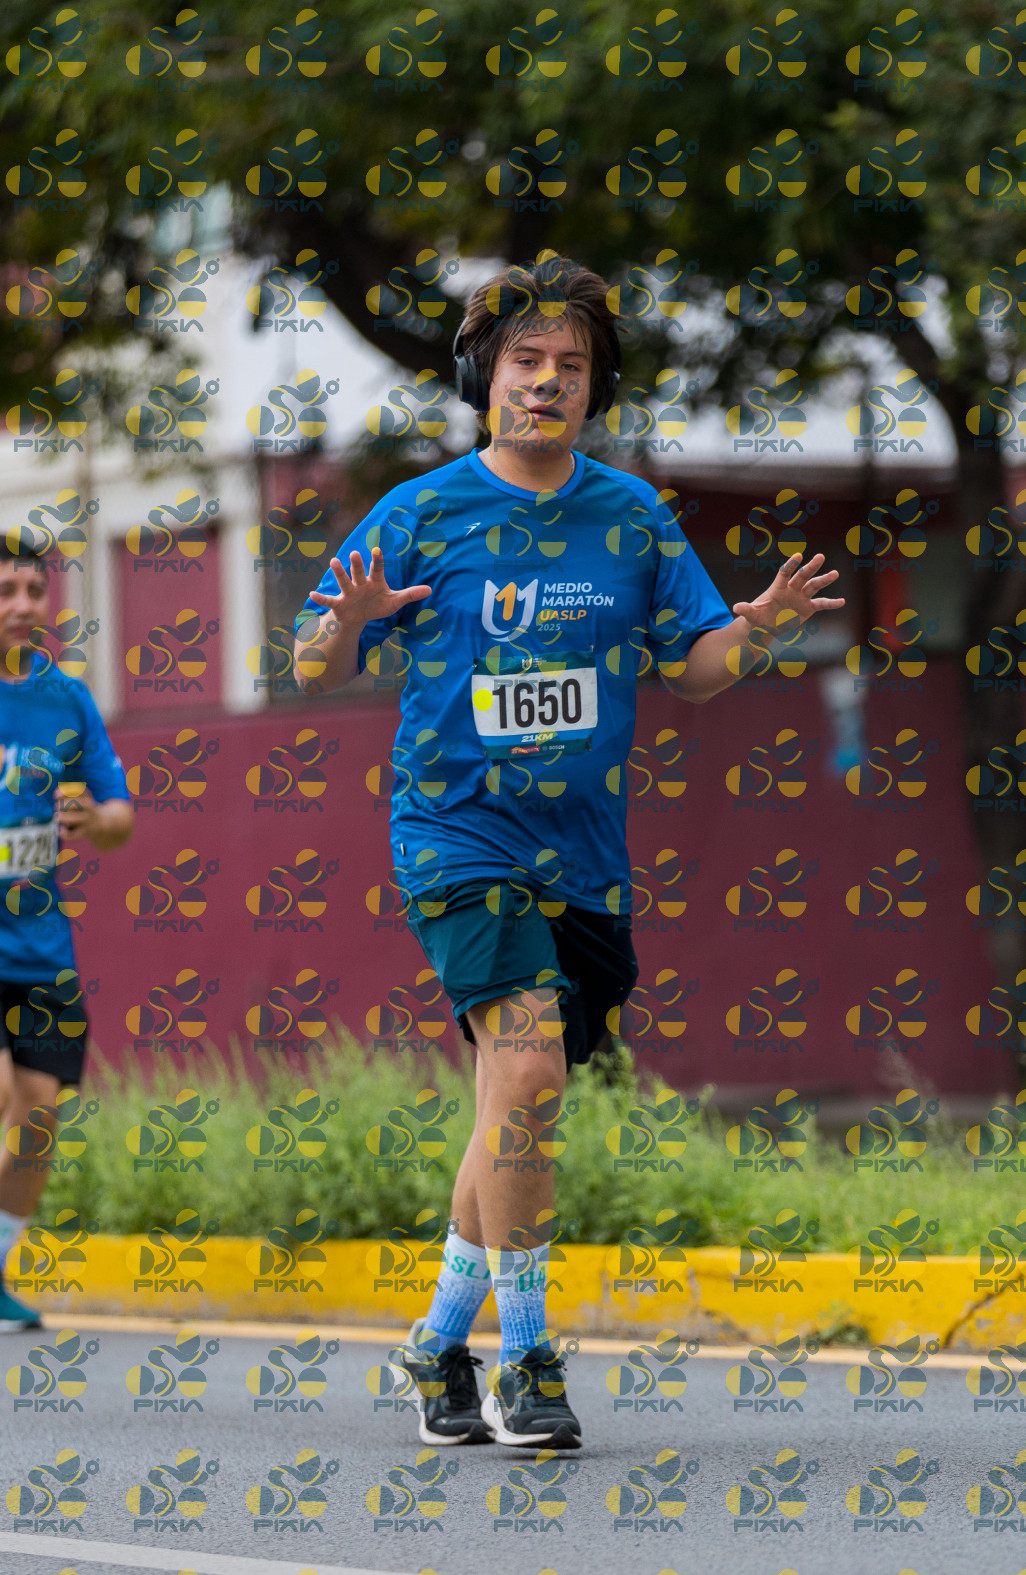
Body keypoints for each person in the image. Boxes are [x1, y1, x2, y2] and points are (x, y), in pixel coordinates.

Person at [294, 253, 844, 1451]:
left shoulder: (631, 515)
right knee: (533, 1073)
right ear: (482, 379)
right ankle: (528, 1362)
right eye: (527, 362)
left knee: (514, 1099)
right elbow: (310, 663)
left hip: (583, 857)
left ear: (595, 390)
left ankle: (435, 1345)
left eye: (572, 366)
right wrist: (347, 623)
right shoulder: (423, 512)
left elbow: (694, 668)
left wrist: (756, 630)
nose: (548, 382)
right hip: (455, 834)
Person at [0, 539, 133, 1330]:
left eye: (32, 589)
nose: (22, 605)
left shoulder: (66, 699)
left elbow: (119, 815)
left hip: (41, 949)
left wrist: (93, 819)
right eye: (5, 590)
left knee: (39, 1121)